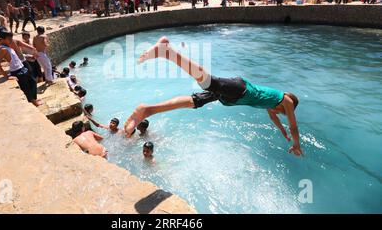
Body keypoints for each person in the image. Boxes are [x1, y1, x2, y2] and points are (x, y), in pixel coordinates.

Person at [124, 37, 303, 157]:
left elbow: (276, 119)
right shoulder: (285, 100)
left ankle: (147, 110)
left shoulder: (271, 106)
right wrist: (296, 144)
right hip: (240, 89)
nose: (279, 114)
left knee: (193, 102)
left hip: (231, 97)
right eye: (284, 113)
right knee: (208, 81)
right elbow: (294, 126)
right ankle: (168, 52)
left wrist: (283, 132)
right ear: (288, 106)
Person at [0, 28, 41, 107]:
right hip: (17, 68)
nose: (11, 40)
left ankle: (34, 99)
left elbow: (22, 44)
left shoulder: (10, 41)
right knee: (26, 86)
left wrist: (33, 50)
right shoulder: (1, 47)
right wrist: (6, 76)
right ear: (2, 39)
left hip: (22, 64)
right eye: (9, 38)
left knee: (32, 81)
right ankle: (33, 101)